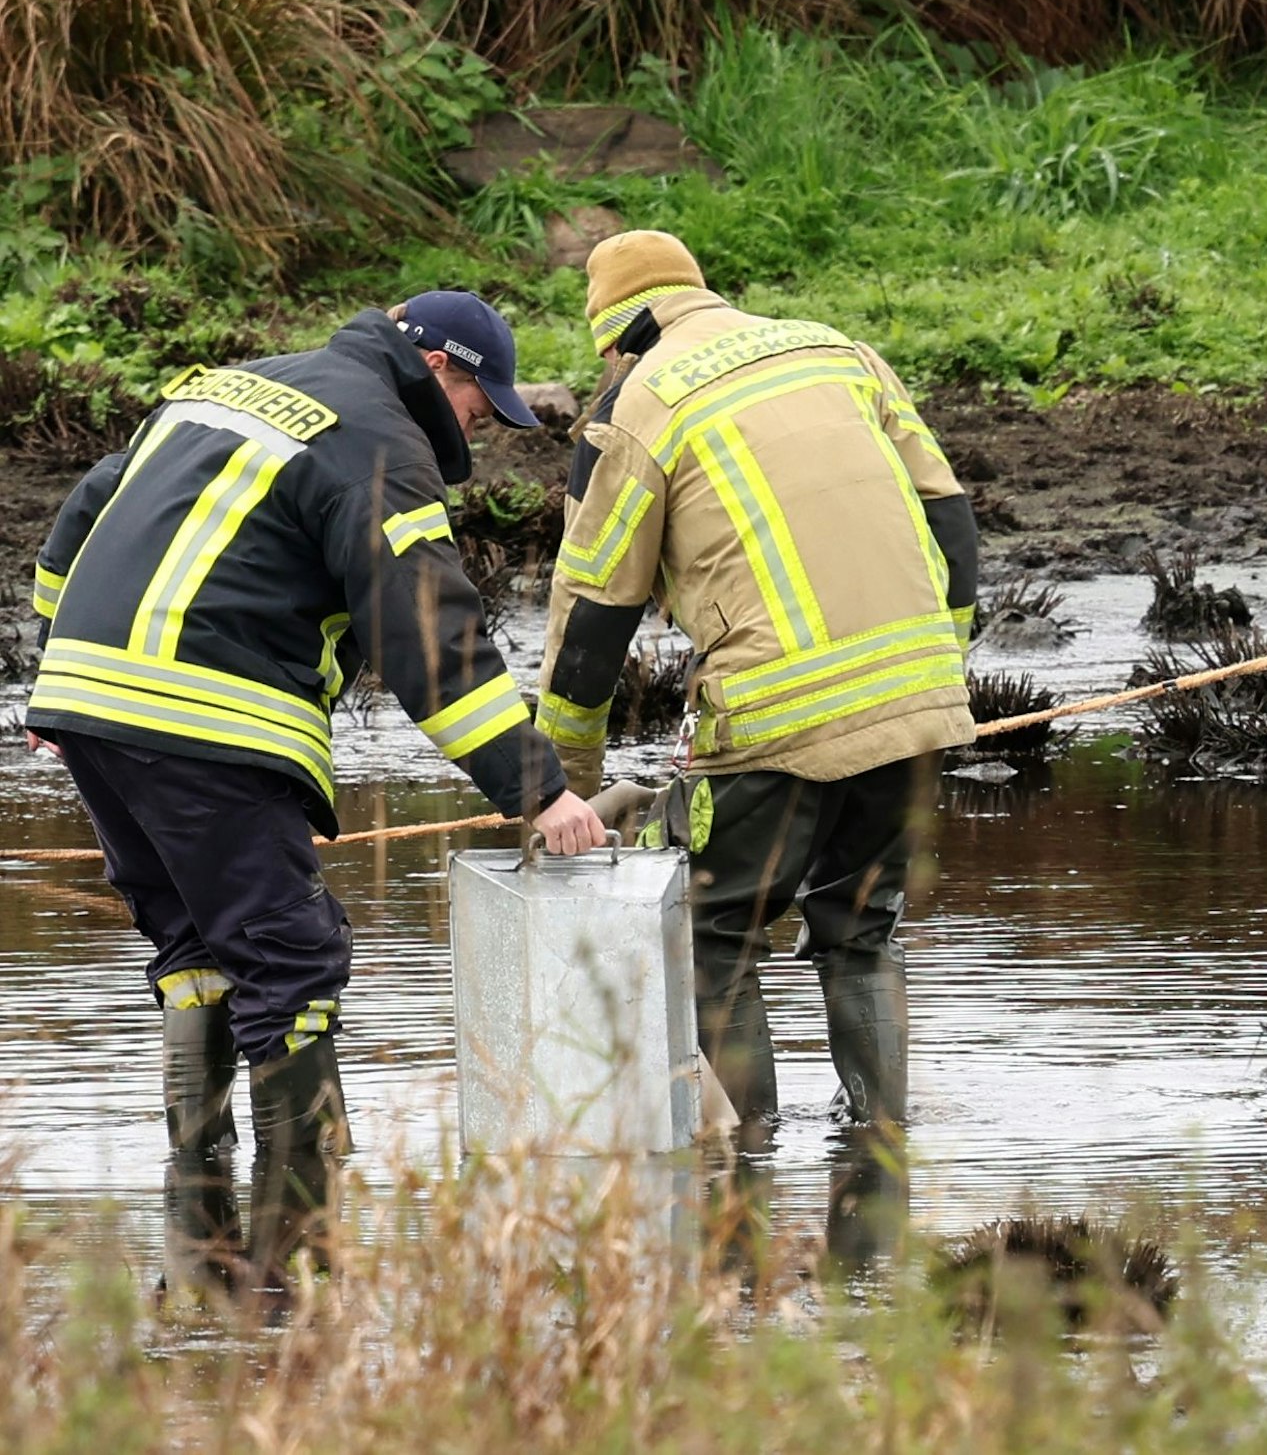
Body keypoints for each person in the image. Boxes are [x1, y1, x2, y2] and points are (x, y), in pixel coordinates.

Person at [25, 290, 607, 1288]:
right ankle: (300, 1244)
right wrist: (540, 793)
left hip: (89, 703)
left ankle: (200, 1239)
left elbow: (91, 504)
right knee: (291, 964)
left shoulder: (244, 383)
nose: (481, 428)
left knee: (196, 951)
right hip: (206, 720)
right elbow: (425, 635)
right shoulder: (375, 439)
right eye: (481, 405)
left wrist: (57, 670)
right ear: (439, 370)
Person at [539, 231, 978, 1139]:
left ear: (619, 341)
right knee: (860, 930)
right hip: (915, 703)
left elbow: (591, 626)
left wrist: (569, 786)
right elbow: (953, 522)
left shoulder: (640, 406)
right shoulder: (838, 350)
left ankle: (751, 1160)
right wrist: (942, 672)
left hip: (773, 714)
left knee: (715, 936)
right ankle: (878, 1149)